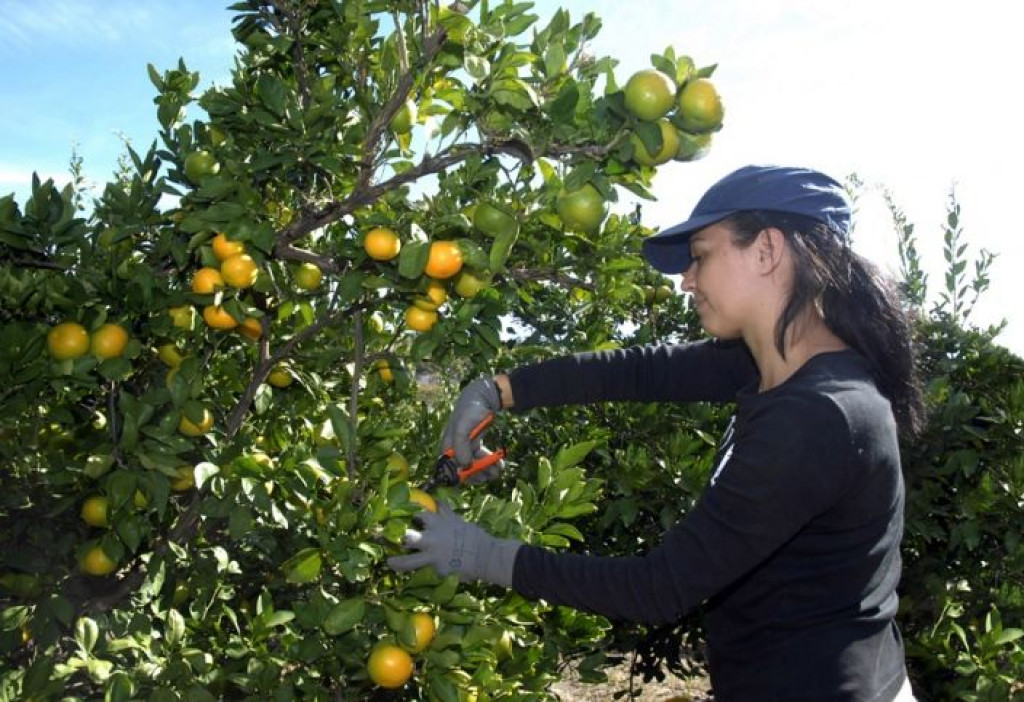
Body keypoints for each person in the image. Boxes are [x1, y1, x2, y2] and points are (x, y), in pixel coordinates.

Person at [388, 165, 924, 702]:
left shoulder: (819, 414)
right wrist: (497, 391)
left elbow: (658, 588)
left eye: (701, 255)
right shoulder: (771, 362)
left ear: (767, 250)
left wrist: (480, 555)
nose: (687, 280)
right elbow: (641, 370)